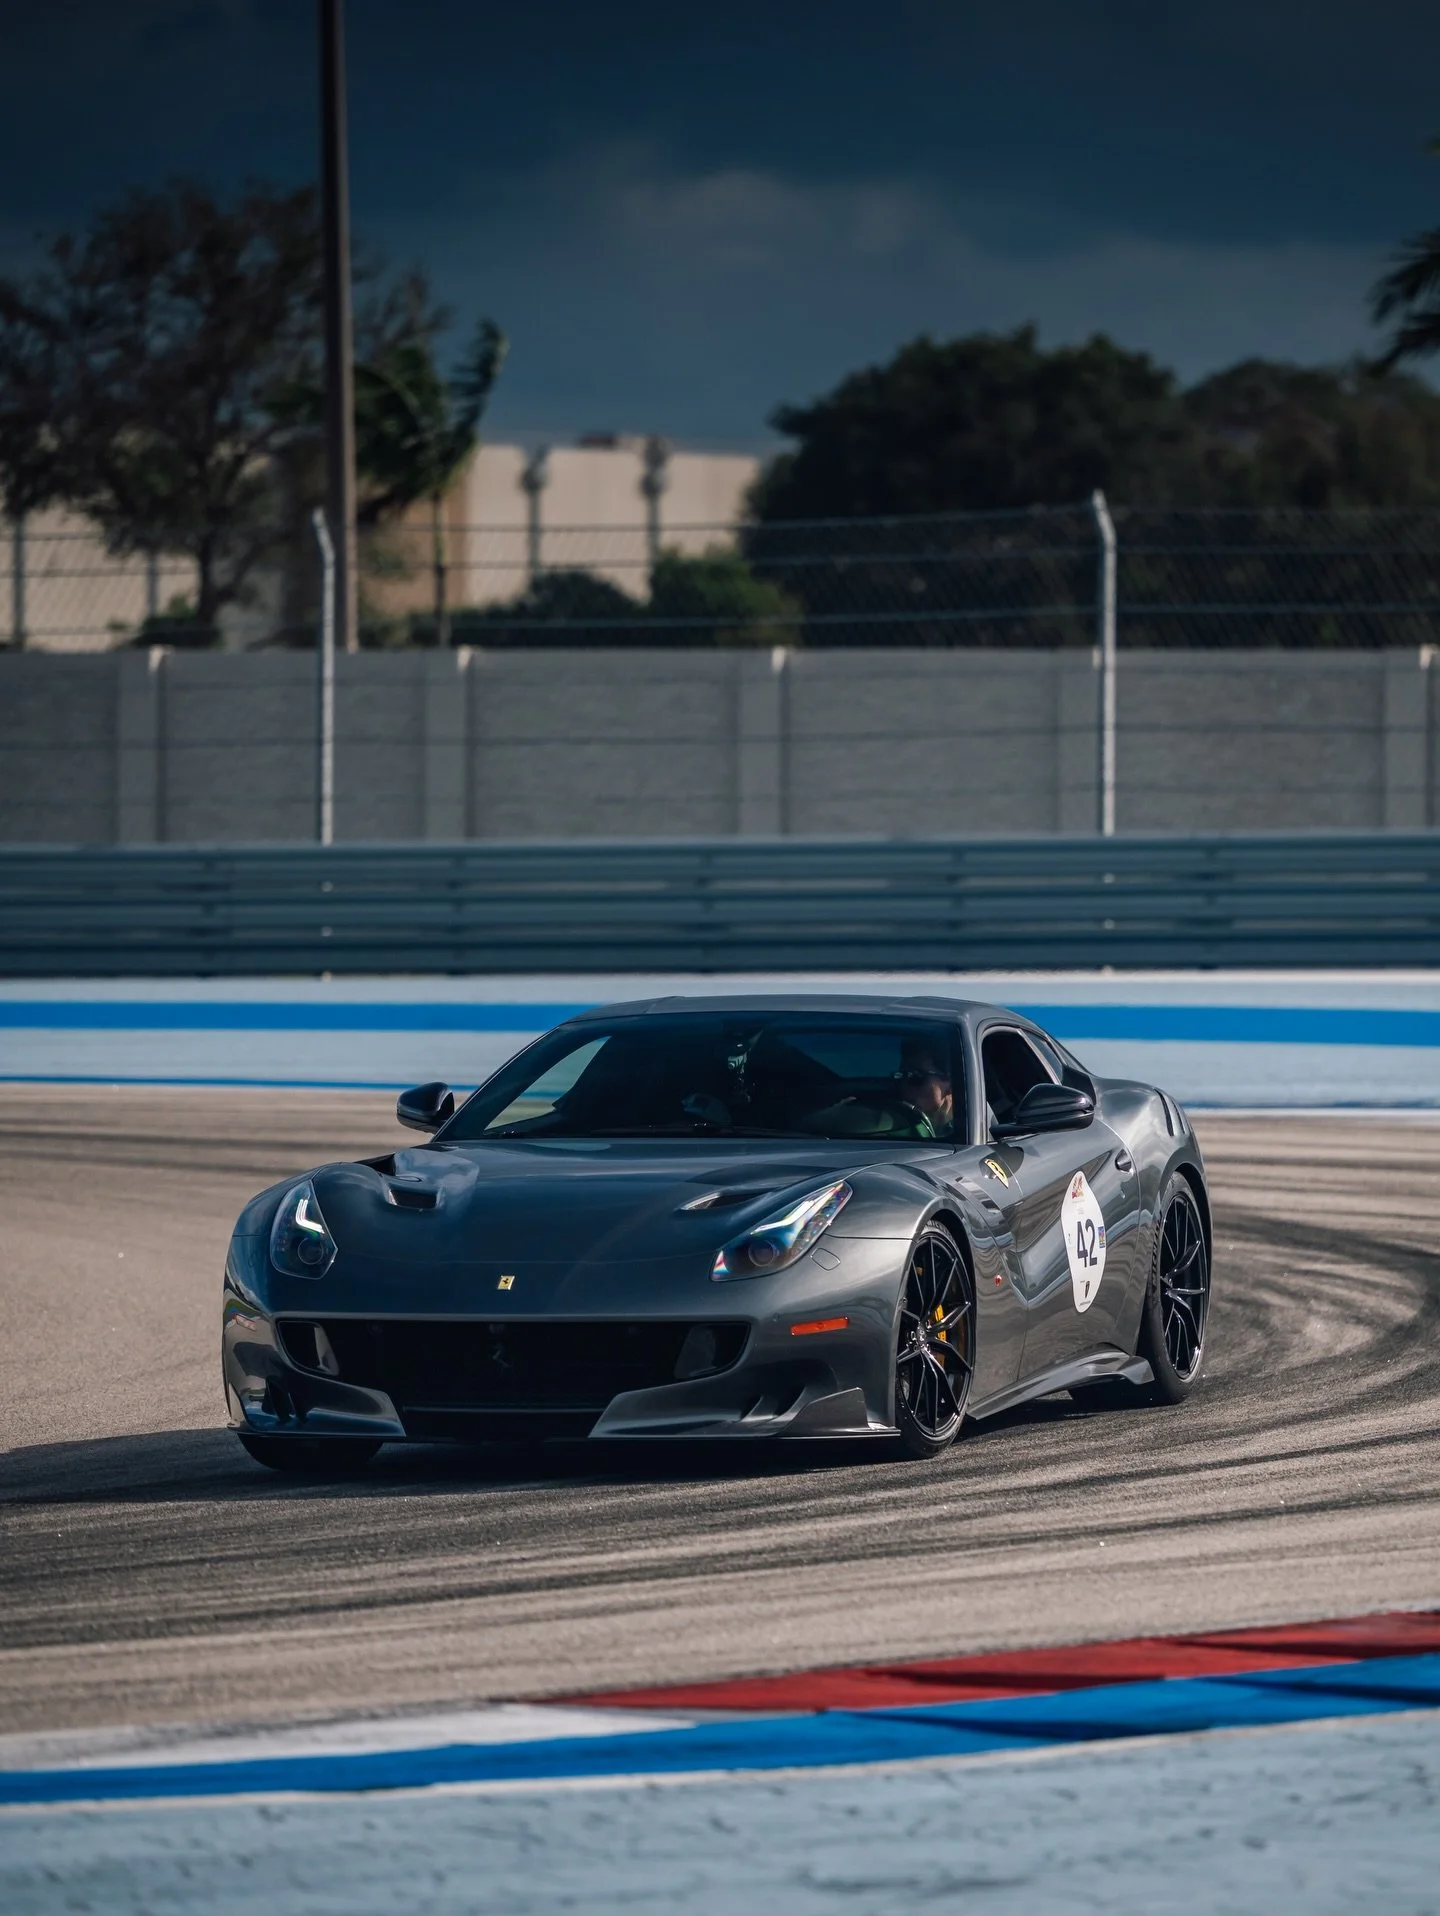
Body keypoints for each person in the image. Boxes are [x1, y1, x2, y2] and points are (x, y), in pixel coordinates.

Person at [893, 1037, 956, 1138]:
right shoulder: (892, 1129)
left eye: (915, 1076)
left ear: (951, 1082)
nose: (904, 1085)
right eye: (901, 1075)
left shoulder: (977, 1125)